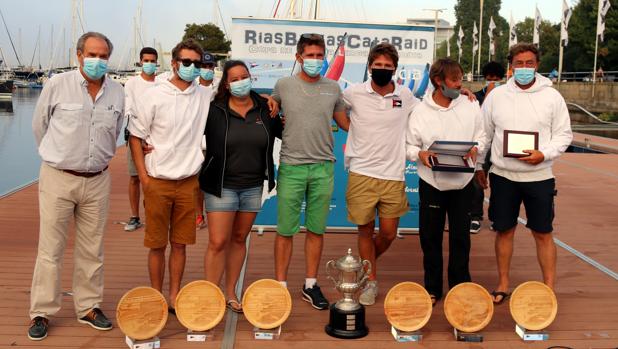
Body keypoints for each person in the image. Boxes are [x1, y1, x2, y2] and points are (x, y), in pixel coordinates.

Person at [29, 31, 124, 340]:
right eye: (92, 54)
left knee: (92, 249)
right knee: (50, 249)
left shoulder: (118, 92)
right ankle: (41, 311)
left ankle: (88, 307)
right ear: (80, 55)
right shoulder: (57, 85)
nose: (98, 60)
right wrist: (60, 157)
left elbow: (116, 130)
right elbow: (39, 126)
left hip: (97, 179)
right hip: (59, 177)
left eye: (104, 56)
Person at [475, 43, 572, 304]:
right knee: (504, 230)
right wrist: (478, 167)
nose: (524, 68)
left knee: (543, 232)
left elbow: (564, 135)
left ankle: (548, 288)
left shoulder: (552, 97)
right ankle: (503, 283)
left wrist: (545, 153)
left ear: (537, 65)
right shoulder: (496, 96)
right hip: (503, 176)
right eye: (519, 63)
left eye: (530, 63)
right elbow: (483, 134)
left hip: (539, 176)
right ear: (511, 66)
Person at [128, 39, 212, 314]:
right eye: (186, 62)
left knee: (180, 245)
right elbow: (136, 136)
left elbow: (235, 94)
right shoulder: (153, 94)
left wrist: (271, 100)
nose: (191, 67)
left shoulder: (203, 95)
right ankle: (156, 296)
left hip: (188, 182)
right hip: (158, 181)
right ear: (174, 63)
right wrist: (144, 177)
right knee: (156, 245)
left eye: (196, 63)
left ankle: (174, 296)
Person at [272, 33, 349, 310]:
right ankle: (280, 286)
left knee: (316, 230)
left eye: (319, 55)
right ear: (299, 57)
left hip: (323, 168)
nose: (315, 60)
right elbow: (266, 109)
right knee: (285, 231)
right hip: (291, 167)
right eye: (310, 55)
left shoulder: (333, 88)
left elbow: (348, 123)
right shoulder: (283, 86)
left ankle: (310, 284)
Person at [200, 60, 282, 313]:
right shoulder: (214, 110)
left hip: (253, 185)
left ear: (251, 78)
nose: (240, 82)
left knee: (239, 239)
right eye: (234, 79)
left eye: (244, 76)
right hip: (221, 184)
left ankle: (229, 292)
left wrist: (276, 103)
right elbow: (184, 131)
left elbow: (287, 131)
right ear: (226, 83)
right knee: (217, 241)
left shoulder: (264, 109)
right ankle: (210, 294)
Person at [342, 43, 418, 306]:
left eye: (388, 66)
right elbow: (332, 105)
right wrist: (352, 129)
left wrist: (465, 93)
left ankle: (364, 265)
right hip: (361, 171)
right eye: (378, 66)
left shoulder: (406, 95)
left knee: (387, 233)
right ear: (369, 66)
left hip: (393, 174)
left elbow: (429, 108)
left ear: (395, 69)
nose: (382, 70)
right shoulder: (354, 92)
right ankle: (370, 280)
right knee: (365, 231)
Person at [406, 58, 485, 306]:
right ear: (438, 81)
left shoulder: (471, 105)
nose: (459, 84)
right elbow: (410, 145)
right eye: (454, 80)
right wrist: (419, 154)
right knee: (430, 238)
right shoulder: (420, 110)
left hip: (463, 184)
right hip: (432, 183)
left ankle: (460, 285)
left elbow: (481, 136)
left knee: (461, 237)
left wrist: (476, 149)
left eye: (461, 79)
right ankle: (432, 288)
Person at [124, 47, 158, 232]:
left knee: (154, 178)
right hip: (136, 136)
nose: (150, 64)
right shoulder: (131, 83)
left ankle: (152, 215)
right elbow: (129, 109)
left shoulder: (162, 83)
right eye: (146, 61)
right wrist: (139, 135)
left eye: (153, 61)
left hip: (156, 138)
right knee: (134, 177)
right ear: (140, 62)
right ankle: (135, 216)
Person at [470, 61, 505, 233]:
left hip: (500, 146)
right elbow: (478, 119)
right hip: (482, 145)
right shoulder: (475, 97)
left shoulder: (507, 97)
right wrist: (489, 95)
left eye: (497, 79)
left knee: (499, 182)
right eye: (490, 78)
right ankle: (475, 216)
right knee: (477, 181)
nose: (493, 81)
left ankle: (497, 217)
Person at [195, 52, 217, 229]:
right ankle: (198, 214)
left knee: (213, 183)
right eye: (204, 66)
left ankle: (215, 215)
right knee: (196, 184)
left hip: (216, 143)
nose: (207, 69)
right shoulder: (191, 88)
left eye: (210, 66)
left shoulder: (221, 89)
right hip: (196, 144)